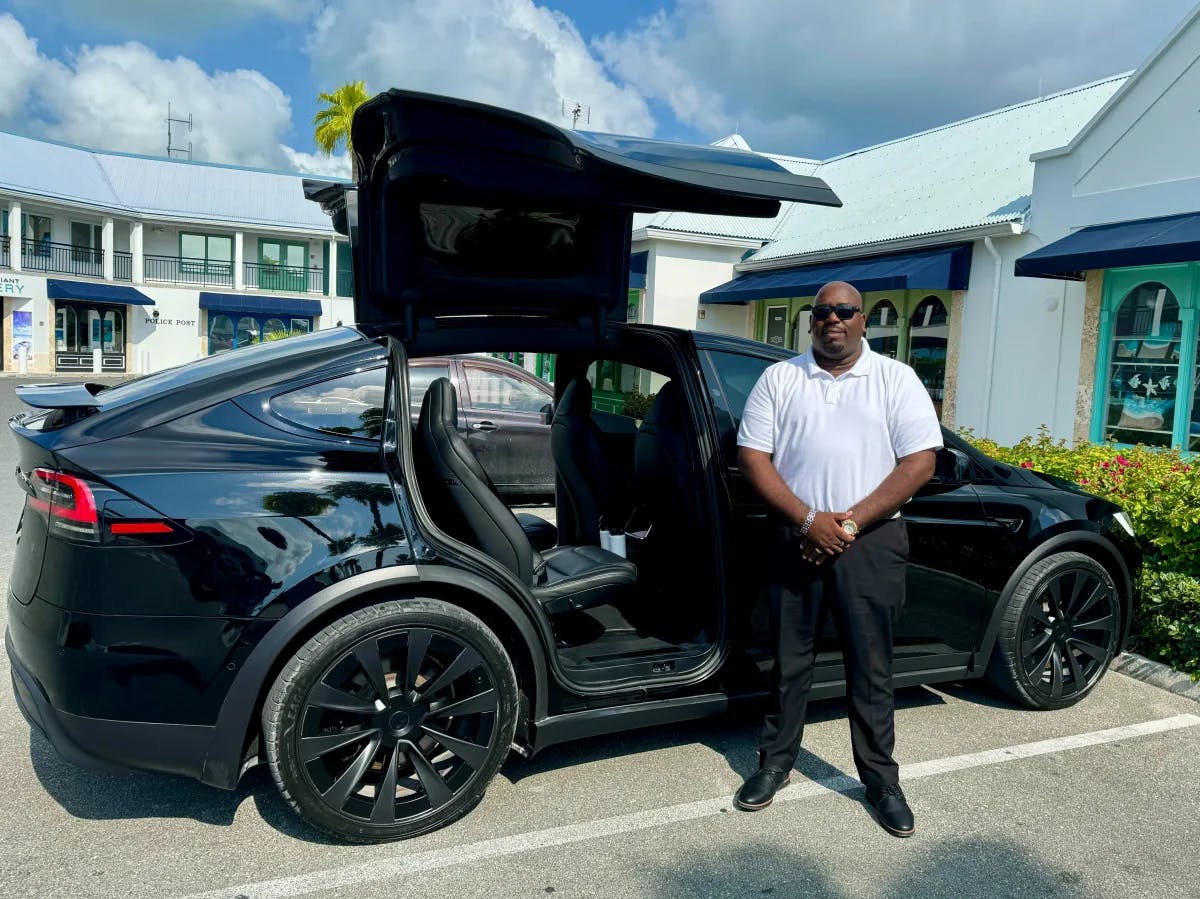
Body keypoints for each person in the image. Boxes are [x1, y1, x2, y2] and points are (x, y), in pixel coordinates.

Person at [733, 280, 942, 837]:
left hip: (869, 541)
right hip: (795, 535)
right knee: (788, 661)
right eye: (823, 312)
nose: (833, 320)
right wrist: (808, 520)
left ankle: (881, 780)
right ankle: (774, 764)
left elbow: (920, 461)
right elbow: (753, 456)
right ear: (811, 322)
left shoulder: (895, 379)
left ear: (863, 320)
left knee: (871, 666)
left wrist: (846, 523)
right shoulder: (780, 378)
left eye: (845, 311)